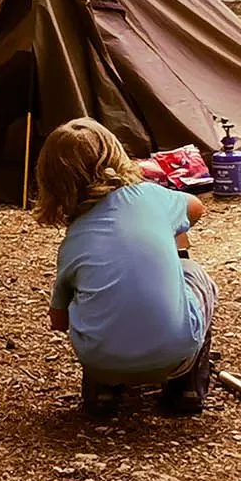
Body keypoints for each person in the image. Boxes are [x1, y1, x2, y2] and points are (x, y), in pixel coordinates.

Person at [33, 119, 218, 419]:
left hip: (101, 362)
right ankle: (187, 387)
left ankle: (104, 390)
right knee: (194, 273)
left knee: (90, 298)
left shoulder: (73, 241)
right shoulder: (150, 197)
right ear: (116, 155)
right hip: (176, 353)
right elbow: (197, 207)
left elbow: (58, 321)